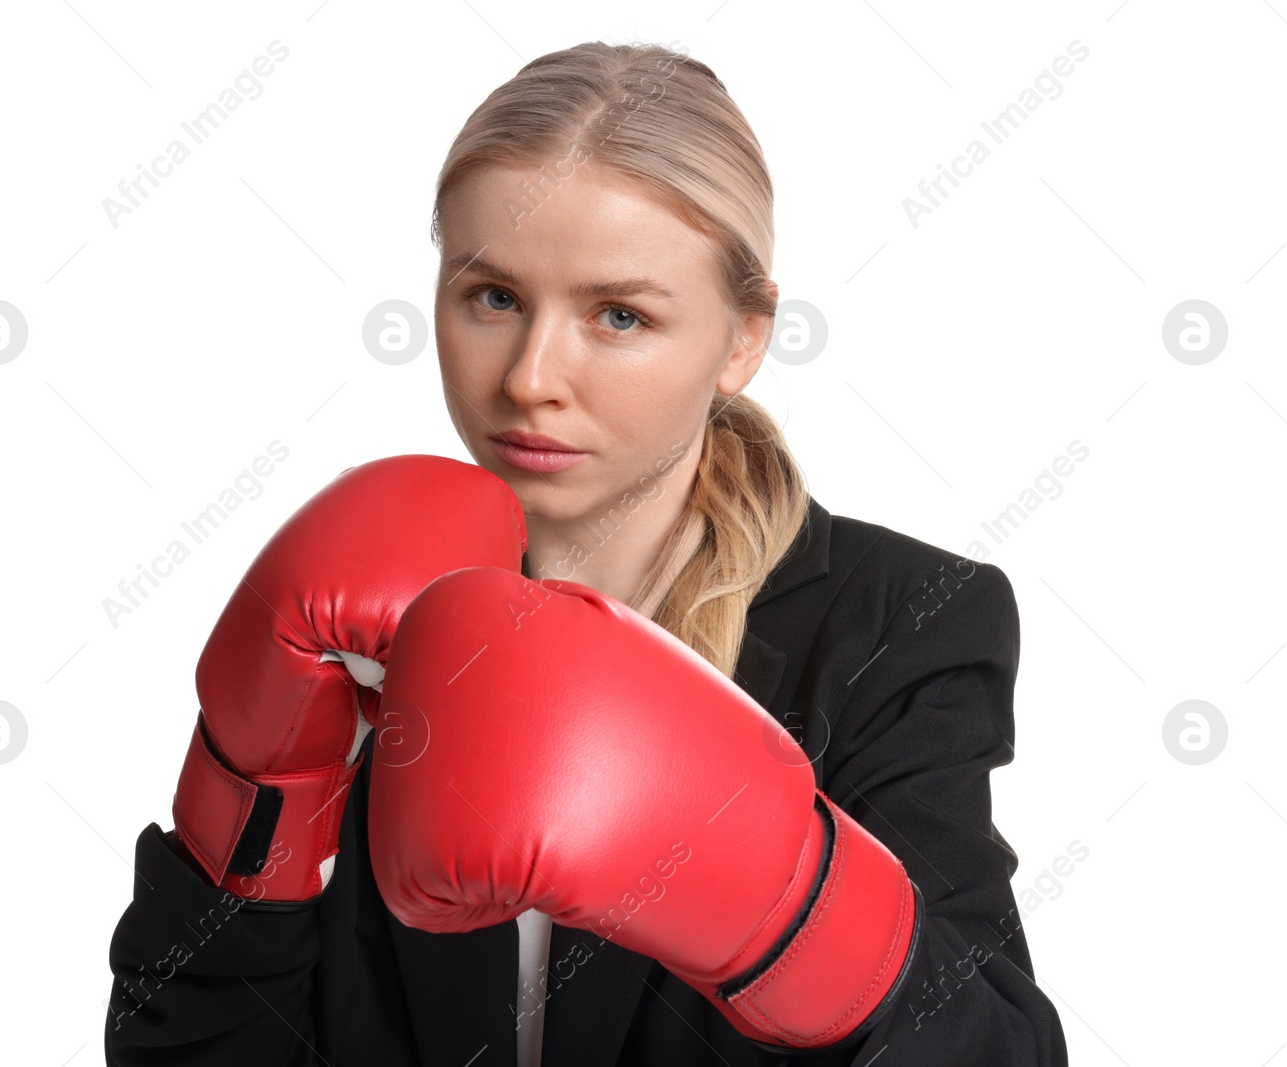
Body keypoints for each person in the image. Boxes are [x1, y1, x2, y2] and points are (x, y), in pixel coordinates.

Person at [104, 40, 1069, 1066]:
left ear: (742, 338)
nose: (529, 377)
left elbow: (995, 1051)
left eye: (618, 315)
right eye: (493, 298)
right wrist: (250, 809)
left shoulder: (895, 622)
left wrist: (799, 912)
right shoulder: (343, 614)